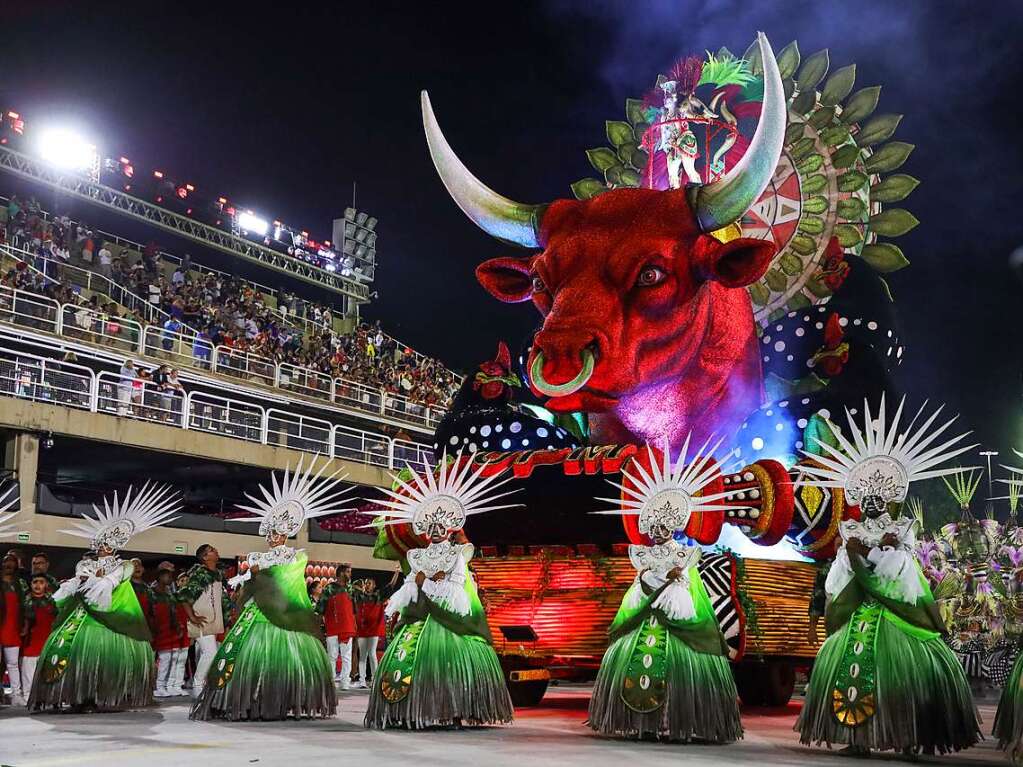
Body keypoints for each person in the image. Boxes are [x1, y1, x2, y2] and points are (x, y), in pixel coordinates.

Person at [796, 397, 981, 755]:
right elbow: (840, 572)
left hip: (897, 610)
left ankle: (909, 736)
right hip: (860, 608)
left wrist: (870, 551)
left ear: (889, 499)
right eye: (865, 498)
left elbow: (901, 568)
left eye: (877, 498)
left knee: (910, 668)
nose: (871, 504)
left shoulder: (903, 527)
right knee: (845, 660)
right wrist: (860, 552)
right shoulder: (851, 527)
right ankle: (858, 738)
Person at [587, 438, 742, 742]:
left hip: (677, 616)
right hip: (645, 614)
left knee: (683, 668)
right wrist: (648, 582)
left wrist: (673, 580)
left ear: (674, 526)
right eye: (654, 527)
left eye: (664, 527)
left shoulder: (684, 555)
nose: (658, 533)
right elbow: (637, 588)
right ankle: (642, 722)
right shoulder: (642, 554)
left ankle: (679, 722)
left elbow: (685, 591)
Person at [190, 456, 350, 721]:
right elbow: (245, 588)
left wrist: (261, 576)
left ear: (287, 532)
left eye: (279, 532)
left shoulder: (296, 556)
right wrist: (252, 578)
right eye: (271, 532)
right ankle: (252, 698)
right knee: (250, 658)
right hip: (257, 615)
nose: (275, 537)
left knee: (284, 659)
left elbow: (287, 580)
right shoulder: (257, 557)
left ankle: (283, 697)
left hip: (285, 614)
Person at [365, 453, 515, 729]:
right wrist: (417, 582)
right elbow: (408, 588)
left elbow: (459, 589)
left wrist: (439, 580)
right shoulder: (416, 556)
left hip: (450, 620)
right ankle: (413, 708)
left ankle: (455, 708)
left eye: (441, 526)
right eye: (431, 526)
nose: (435, 531)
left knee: (450, 665)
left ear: (450, 528)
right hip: (420, 619)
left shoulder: (459, 553)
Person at [29, 483, 180, 711]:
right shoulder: (85, 564)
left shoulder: (123, 566)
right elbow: (74, 585)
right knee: (76, 655)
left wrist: (100, 581)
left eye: (108, 543)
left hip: (110, 619)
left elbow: (110, 586)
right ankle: (78, 696)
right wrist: (80, 581)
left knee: (102, 658)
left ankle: (101, 695)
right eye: (101, 543)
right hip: (82, 619)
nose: (103, 547)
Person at [176, 544, 226, 701]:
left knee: (212, 653)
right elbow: (183, 595)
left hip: (213, 620)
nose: (216, 551)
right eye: (211, 550)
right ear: (205, 557)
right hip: (201, 620)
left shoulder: (216, 574)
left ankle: (205, 686)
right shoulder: (200, 574)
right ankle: (197, 685)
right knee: (209, 652)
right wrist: (192, 617)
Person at [149, 563, 188, 697]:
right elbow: (151, 612)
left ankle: (165, 685)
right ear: (160, 576)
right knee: (162, 658)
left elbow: (173, 611)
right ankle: (158, 685)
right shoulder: (152, 592)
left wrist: (176, 625)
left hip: (168, 629)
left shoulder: (169, 593)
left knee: (169, 658)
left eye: (171, 576)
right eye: (167, 576)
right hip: (157, 629)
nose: (170, 578)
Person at [317, 563, 356, 689]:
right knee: (332, 656)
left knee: (346, 657)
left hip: (347, 627)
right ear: (341, 573)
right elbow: (320, 608)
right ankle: (331, 682)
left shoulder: (351, 589)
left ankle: (345, 682)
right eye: (348, 572)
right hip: (332, 626)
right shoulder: (329, 588)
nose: (350, 574)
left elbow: (355, 610)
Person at [19, 573, 57, 698]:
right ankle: (27, 698)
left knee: (48, 679)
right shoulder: (24, 603)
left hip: (47, 647)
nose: (37, 585)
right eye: (35, 582)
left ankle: (48, 699)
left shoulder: (54, 603)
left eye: (41, 582)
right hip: (29, 648)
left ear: (46, 585)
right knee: (28, 682)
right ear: (30, 585)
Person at [1, 551, 27, 704]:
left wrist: (24, 624)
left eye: (11, 561)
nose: (8, 564)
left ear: (16, 565)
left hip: (13, 627)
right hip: (1, 625)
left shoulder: (20, 584)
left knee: (12, 663)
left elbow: (24, 606)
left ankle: (16, 695)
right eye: (5, 561)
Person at [354, 578, 385, 689]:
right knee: (362, 655)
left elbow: (390, 586)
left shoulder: (378, 596)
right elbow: (353, 589)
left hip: (373, 630)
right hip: (362, 630)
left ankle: (374, 680)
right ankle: (362, 681)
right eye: (366, 583)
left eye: (369, 583)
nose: (367, 585)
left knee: (372, 654)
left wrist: (396, 573)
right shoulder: (360, 596)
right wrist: (358, 588)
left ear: (374, 585)